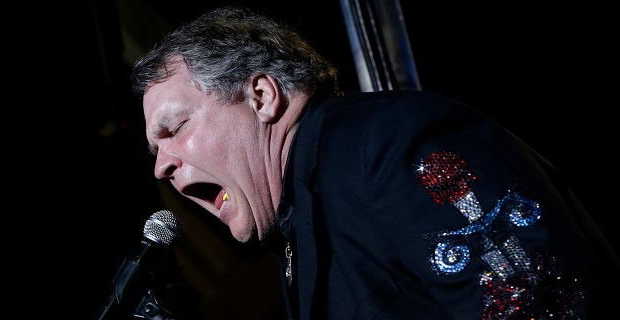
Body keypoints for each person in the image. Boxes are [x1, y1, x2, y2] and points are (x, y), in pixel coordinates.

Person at [130, 5, 619, 319]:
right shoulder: (298, 228)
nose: (161, 167)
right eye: (156, 152)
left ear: (261, 96)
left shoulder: (386, 141)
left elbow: (543, 302)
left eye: (174, 130)